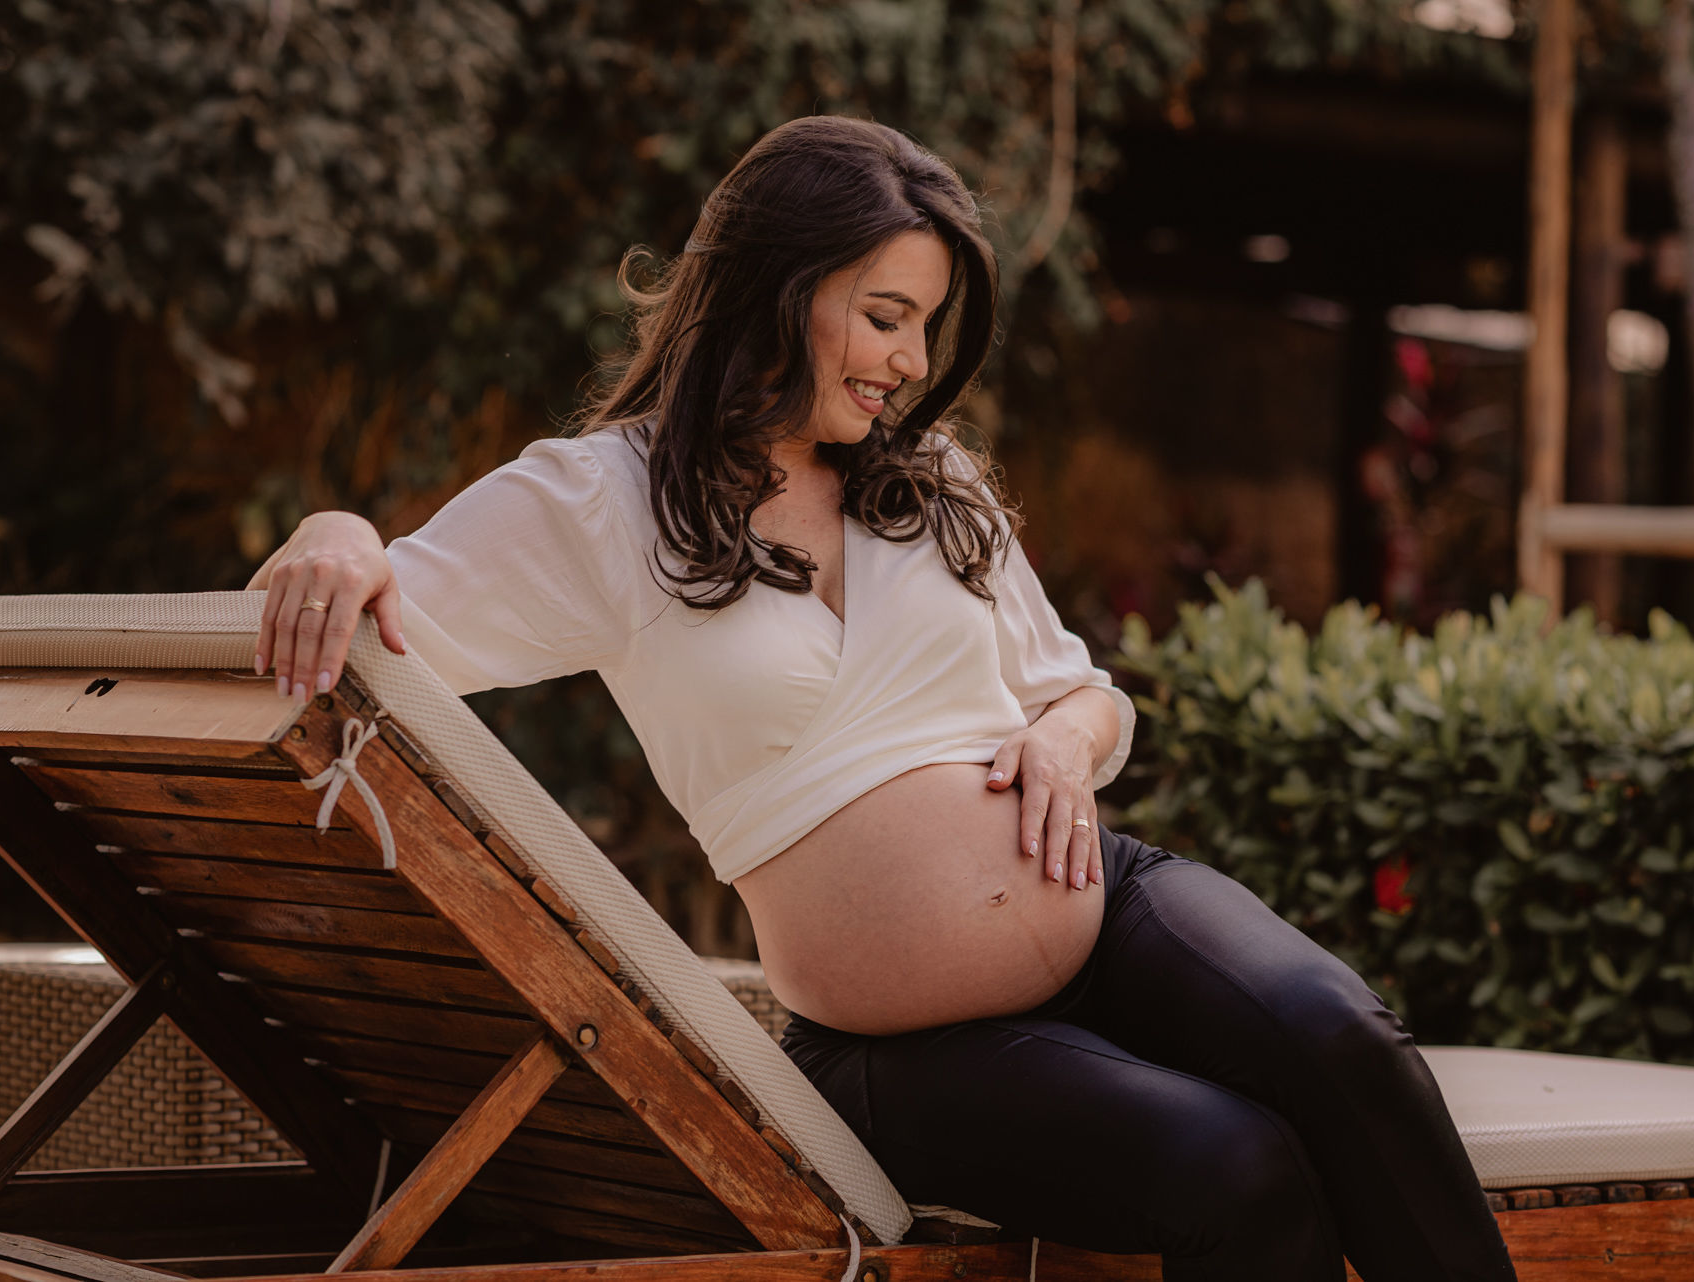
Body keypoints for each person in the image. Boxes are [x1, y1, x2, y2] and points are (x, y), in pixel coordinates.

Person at [249, 115, 1517, 1281]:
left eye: (926, 325)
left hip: (1112, 904)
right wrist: (333, 528)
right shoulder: (605, 503)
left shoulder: (931, 481)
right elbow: (368, 604)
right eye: (886, 316)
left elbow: (1078, 690)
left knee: (1347, 1042)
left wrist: (1063, 746)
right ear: (778, 288)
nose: (911, 362)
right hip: (890, 1052)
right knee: (1237, 1168)